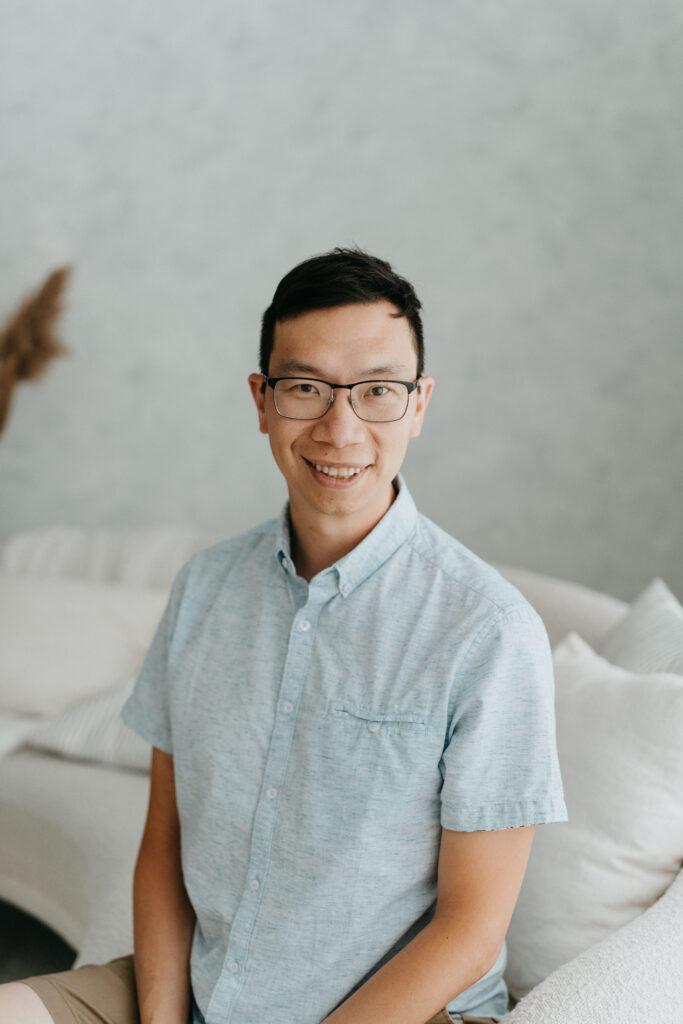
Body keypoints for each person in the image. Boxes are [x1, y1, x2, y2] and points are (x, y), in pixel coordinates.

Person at [1, 248, 567, 1024]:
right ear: (262, 401)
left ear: (419, 404)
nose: (340, 428)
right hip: (208, 990)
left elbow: (470, 931)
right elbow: (164, 843)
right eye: (306, 388)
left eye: (376, 392)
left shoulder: (488, 631)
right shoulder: (204, 587)